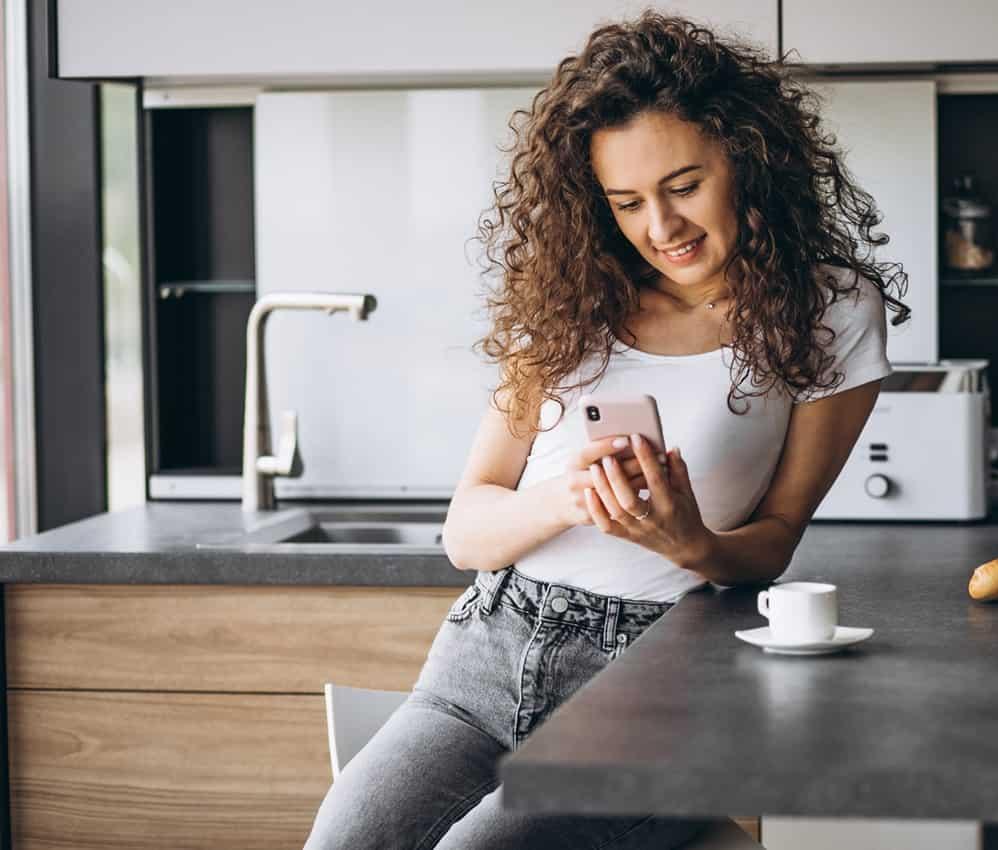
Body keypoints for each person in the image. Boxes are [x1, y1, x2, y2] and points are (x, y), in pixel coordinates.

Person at [304, 10, 909, 849]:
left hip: (663, 677)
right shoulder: (566, 303)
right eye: (627, 202)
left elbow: (773, 543)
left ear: (748, 160)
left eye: (685, 186)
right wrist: (566, 499)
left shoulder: (832, 308)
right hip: (490, 650)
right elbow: (467, 531)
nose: (661, 228)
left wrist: (688, 538)